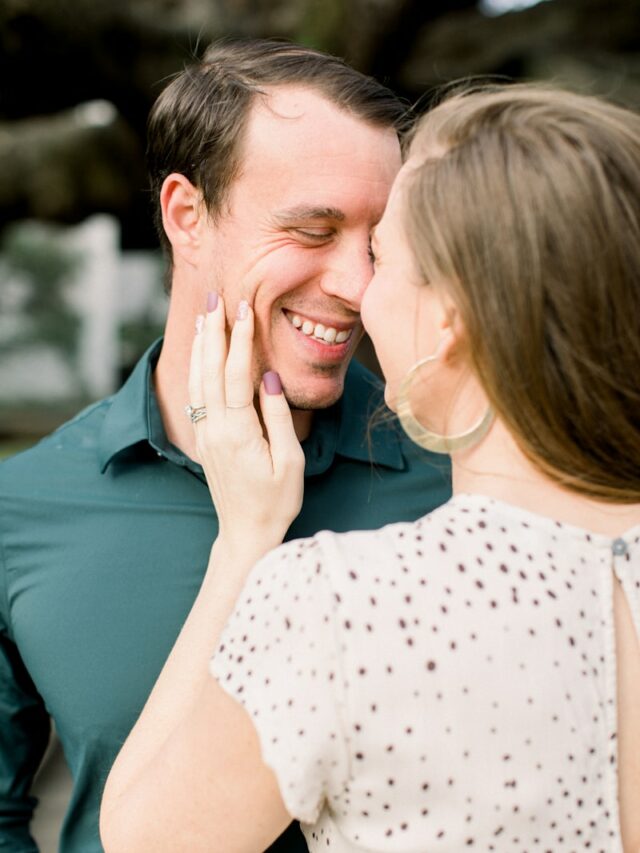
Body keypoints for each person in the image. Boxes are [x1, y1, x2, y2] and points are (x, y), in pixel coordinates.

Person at [100, 82, 640, 852]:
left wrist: (246, 540)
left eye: (382, 254)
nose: (358, 287)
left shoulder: (340, 603)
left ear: (451, 318)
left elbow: (141, 842)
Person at [0, 39, 451, 852]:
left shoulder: (461, 481)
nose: (357, 285)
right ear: (186, 215)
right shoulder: (20, 507)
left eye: (379, 243)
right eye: (314, 230)